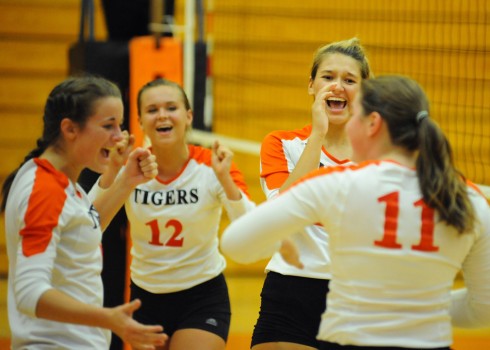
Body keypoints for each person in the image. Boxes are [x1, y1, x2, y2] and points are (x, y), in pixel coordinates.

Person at [221, 75, 490, 349]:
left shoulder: (335, 184)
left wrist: (277, 239)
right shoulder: (469, 199)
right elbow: (485, 307)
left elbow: (235, 243)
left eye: (355, 117)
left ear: (372, 124)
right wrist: (421, 305)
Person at [1, 75, 168, 350]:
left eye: (120, 124)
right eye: (108, 125)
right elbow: (29, 294)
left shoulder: (59, 180)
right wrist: (110, 319)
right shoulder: (44, 188)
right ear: (69, 129)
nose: (119, 136)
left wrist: (126, 180)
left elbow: (85, 228)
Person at [91, 78, 256, 350]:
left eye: (171, 107)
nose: (163, 115)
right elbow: (88, 222)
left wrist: (225, 179)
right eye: (152, 110)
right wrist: (113, 172)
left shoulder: (212, 165)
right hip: (145, 298)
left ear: (188, 116)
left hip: (202, 296)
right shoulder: (131, 165)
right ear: (141, 121)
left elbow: (250, 227)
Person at [252, 37, 372, 350]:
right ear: (311, 86)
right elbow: (281, 213)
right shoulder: (281, 143)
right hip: (291, 290)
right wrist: (318, 134)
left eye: (349, 80)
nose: (337, 87)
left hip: (356, 296)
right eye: (328, 77)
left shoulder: (378, 153)